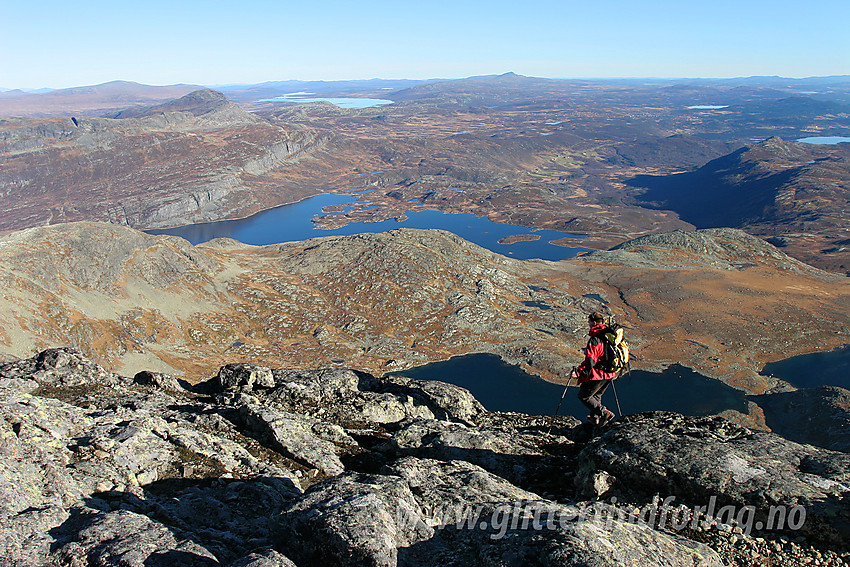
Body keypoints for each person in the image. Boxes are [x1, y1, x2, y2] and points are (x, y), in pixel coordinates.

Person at [570, 311, 618, 425]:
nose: (588, 324)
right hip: (610, 373)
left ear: (594, 322)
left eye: (589, 322)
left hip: (599, 374)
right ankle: (596, 419)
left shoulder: (595, 339)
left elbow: (591, 361)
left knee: (584, 396)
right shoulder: (608, 335)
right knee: (596, 395)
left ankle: (604, 413)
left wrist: (579, 373)